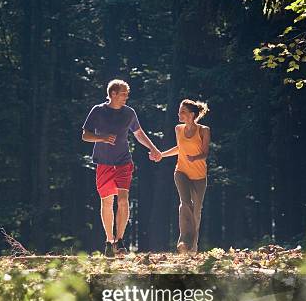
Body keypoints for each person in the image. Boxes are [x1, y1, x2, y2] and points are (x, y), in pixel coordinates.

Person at [82, 79, 161, 257]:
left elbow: (139, 134)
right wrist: (101, 138)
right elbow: (85, 135)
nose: (126, 96)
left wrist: (153, 149)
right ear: (113, 94)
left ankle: (120, 240)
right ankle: (109, 241)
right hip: (104, 163)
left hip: (124, 162)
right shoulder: (98, 110)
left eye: (127, 93)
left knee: (124, 199)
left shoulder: (129, 113)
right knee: (107, 202)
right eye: (123, 93)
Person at [150, 99, 210, 253]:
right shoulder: (178, 129)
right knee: (185, 203)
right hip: (181, 171)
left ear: (191, 114)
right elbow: (179, 148)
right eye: (179, 111)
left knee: (196, 211)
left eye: (183, 111)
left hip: (199, 176)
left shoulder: (204, 130)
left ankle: (192, 247)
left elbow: (205, 153)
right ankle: (184, 241)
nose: (179, 114)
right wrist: (162, 155)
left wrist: (194, 158)